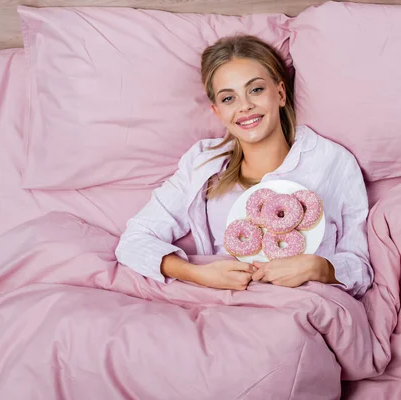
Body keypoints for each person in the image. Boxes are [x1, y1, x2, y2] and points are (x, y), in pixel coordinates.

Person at [115, 35, 373, 298]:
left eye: (256, 89)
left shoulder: (332, 162)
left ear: (281, 94)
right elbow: (133, 241)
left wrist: (318, 268)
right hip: (222, 304)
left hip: (305, 305)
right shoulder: (202, 164)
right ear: (217, 112)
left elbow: (360, 269)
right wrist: (198, 273)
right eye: (229, 99)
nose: (245, 106)